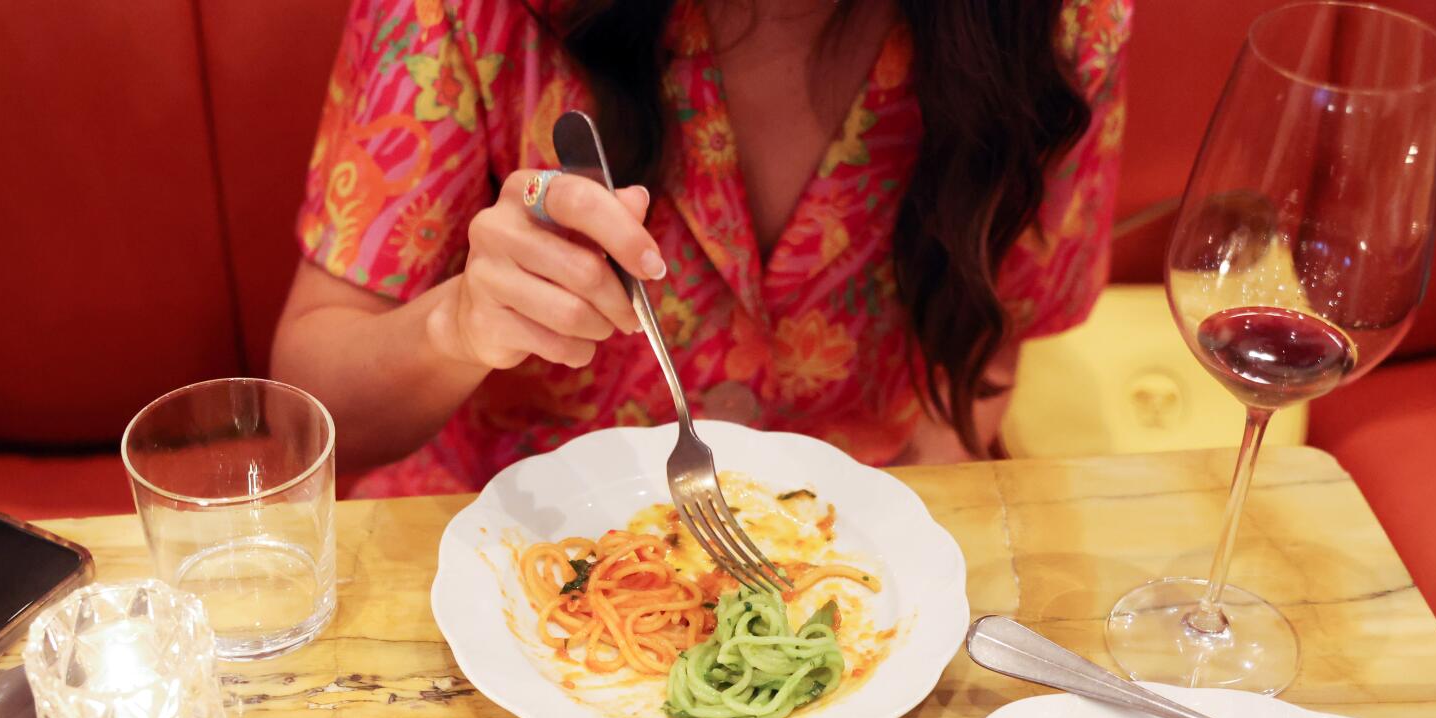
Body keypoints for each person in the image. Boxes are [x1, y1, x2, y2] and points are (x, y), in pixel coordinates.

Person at [271, 0, 1129, 497]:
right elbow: (303, 413)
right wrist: (455, 326)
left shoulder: (1056, 23)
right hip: (496, 545)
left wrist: (903, 530)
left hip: (854, 537)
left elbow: (998, 328)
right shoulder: (466, 12)